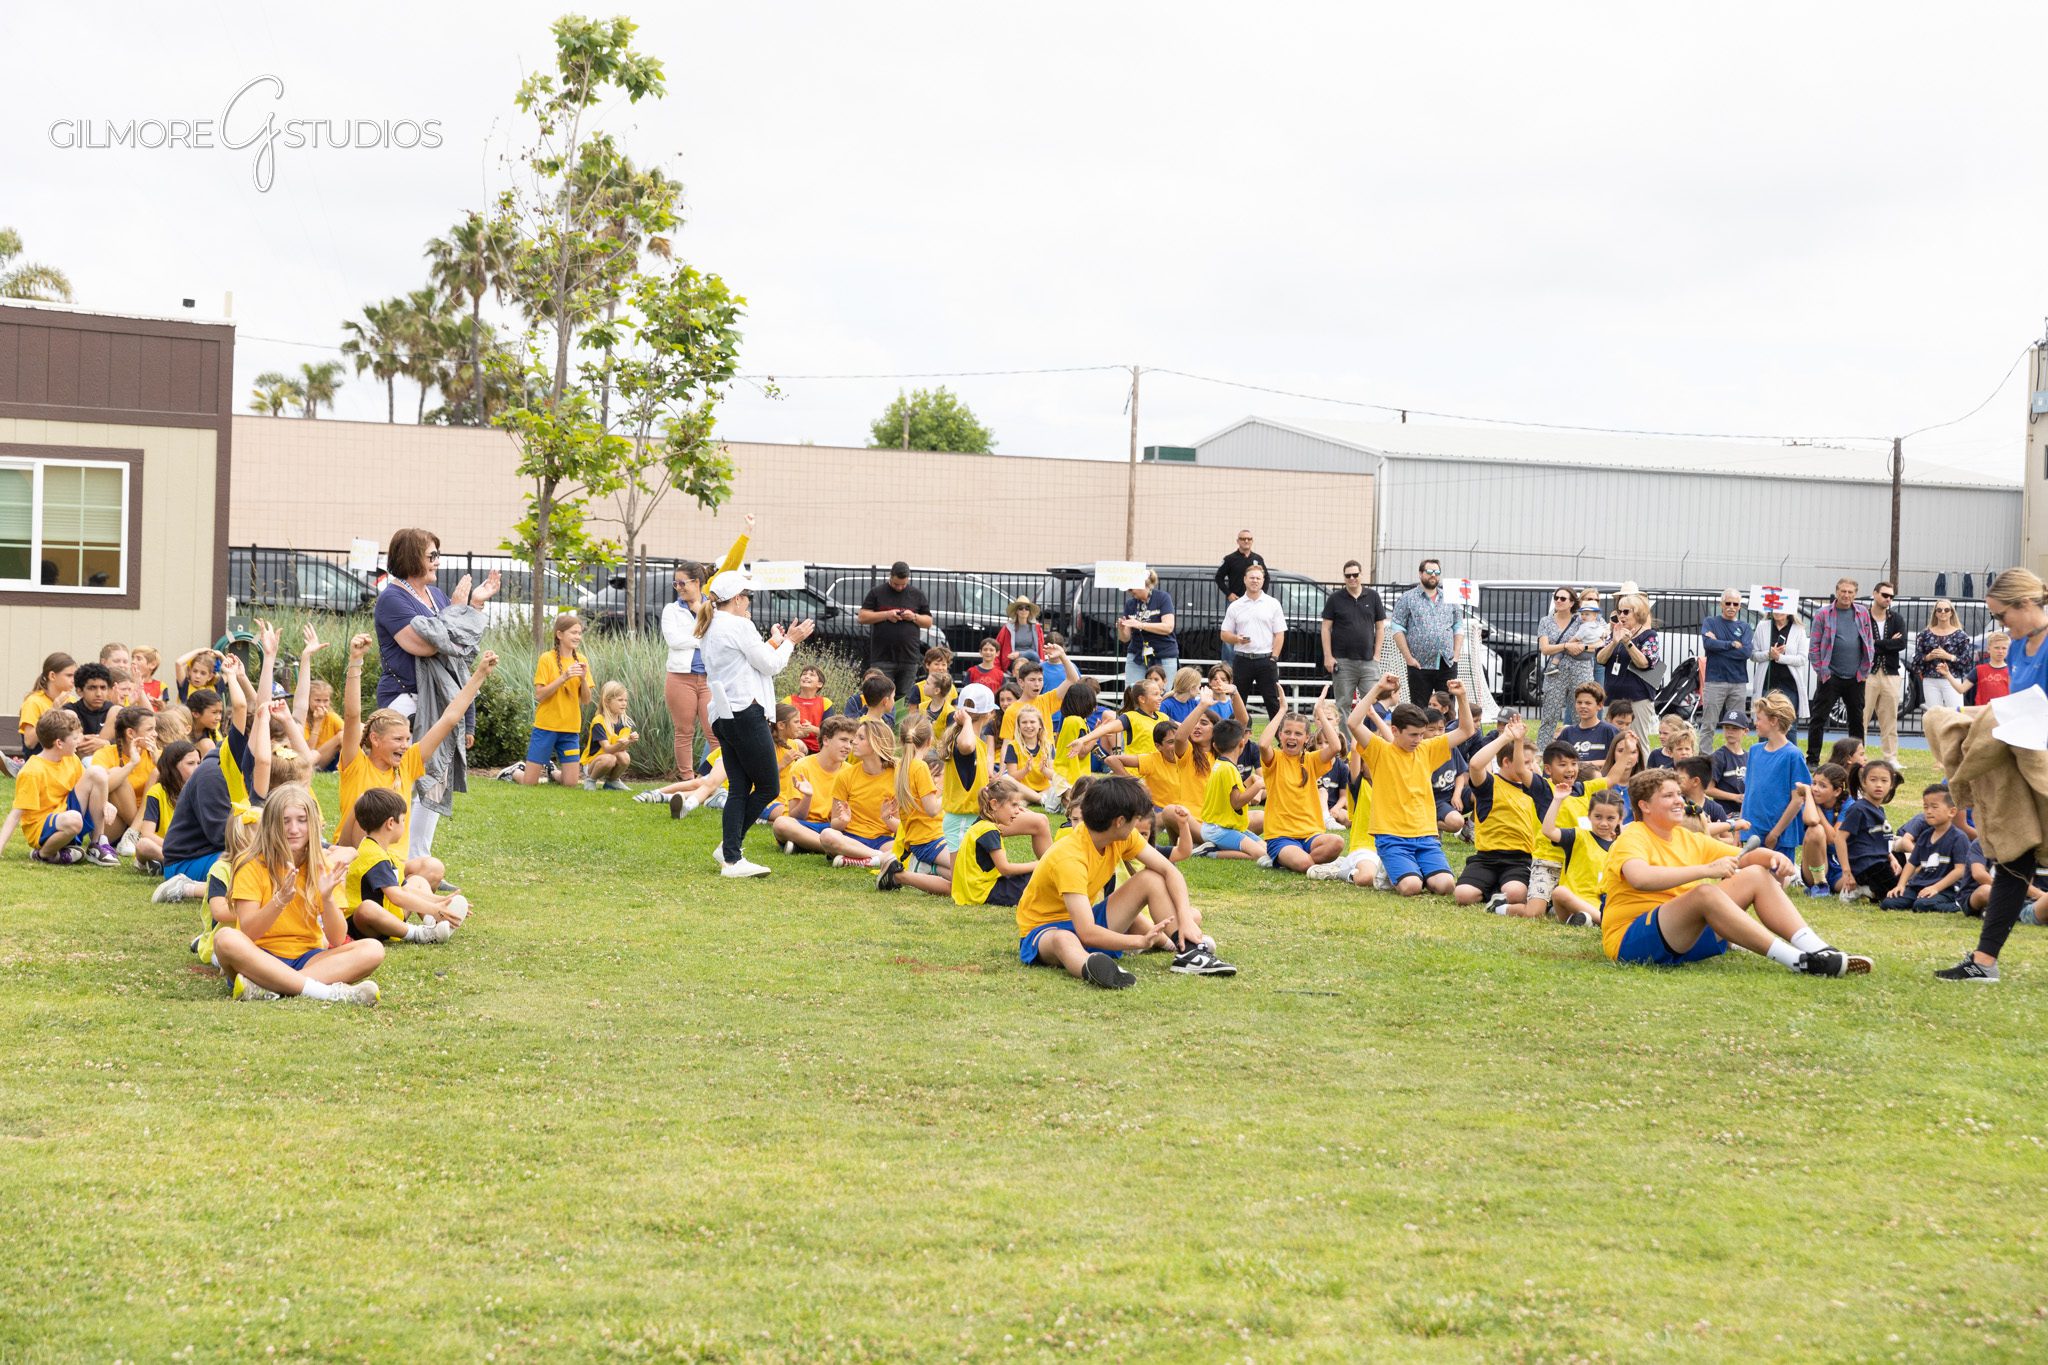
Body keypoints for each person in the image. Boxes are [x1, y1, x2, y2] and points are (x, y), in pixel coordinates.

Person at [1602, 770, 1871, 975]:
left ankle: (1818, 949)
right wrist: (1706, 870)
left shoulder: (1684, 836)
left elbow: (1743, 858)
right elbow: (1640, 878)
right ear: (1644, 806)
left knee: (1755, 874)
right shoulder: (1632, 836)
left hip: (1681, 937)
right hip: (1630, 941)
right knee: (1704, 893)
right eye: (1668, 796)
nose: (1679, 802)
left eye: (1678, 795)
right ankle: (1798, 961)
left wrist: (1773, 857)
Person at [1013, 775, 1236, 986]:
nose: (1139, 824)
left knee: (1150, 877)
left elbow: (1170, 871)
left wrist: (1185, 919)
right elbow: (1086, 932)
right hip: (1043, 930)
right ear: (1120, 821)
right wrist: (1138, 941)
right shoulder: (1069, 858)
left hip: (1089, 920)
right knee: (1064, 939)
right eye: (1136, 818)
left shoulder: (1122, 836)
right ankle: (1093, 968)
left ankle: (1188, 951)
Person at [1935, 568, 2048, 982]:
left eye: (2003, 616)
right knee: (2016, 859)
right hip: (2026, 766)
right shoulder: (2020, 647)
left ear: (2025, 604)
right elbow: (2016, 707)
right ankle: (1984, 963)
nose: (2002, 627)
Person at [337, 635, 501, 889]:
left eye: (407, 738)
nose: (405, 745)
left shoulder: (408, 762)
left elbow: (449, 719)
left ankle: (404, 906)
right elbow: (351, 716)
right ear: (375, 739)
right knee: (365, 811)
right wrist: (356, 661)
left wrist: (479, 674)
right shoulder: (355, 764)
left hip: (393, 865)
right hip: (354, 860)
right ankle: (406, 907)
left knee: (432, 869)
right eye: (398, 739)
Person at [373, 528, 496, 861]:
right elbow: (425, 645)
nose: (437, 562)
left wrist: (473, 606)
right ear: (412, 557)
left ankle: (420, 860)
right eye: (431, 556)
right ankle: (393, 858)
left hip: (444, 701)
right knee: (409, 777)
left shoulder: (439, 598)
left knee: (437, 776)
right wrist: (460, 611)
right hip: (404, 700)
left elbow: (461, 650)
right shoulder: (392, 598)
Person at [212, 784, 384, 1006]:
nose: (294, 829)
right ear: (272, 824)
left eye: (301, 820)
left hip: (309, 959)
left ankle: (270, 987)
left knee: (373, 949)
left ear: (312, 824)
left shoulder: (324, 865)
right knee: (226, 939)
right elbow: (249, 933)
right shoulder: (249, 863)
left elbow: (336, 938)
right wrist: (279, 901)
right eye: (285, 821)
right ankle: (325, 992)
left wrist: (328, 898)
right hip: (259, 957)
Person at [701, 566, 816, 879]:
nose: (749, 602)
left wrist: (775, 641)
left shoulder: (713, 625)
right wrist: (790, 640)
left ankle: (730, 850)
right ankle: (731, 853)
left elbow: (752, 663)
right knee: (767, 787)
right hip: (745, 714)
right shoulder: (738, 626)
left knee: (740, 786)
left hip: (724, 716)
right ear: (737, 599)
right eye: (747, 597)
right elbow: (771, 666)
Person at [1352, 674, 1477, 896]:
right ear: (1395, 730)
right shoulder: (1380, 750)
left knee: (1446, 886)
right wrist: (1378, 688)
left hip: (1425, 835)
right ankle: (1392, 871)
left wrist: (1463, 697)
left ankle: (1411, 869)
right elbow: (1353, 723)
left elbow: (1466, 731)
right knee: (1411, 887)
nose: (1418, 740)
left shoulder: (1427, 749)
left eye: (1421, 734)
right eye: (1412, 735)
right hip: (1392, 836)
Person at [661, 524, 753, 775]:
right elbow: (674, 640)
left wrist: (745, 534)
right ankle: (687, 777)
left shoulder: (712, 606)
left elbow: (731, 564)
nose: (678, 587)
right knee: (684, 731)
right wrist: (704, 636)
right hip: (682, 677)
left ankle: (714, 778)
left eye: (682, 582)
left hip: (712, 678)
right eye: (675, 583)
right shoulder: (672, 610)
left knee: (715, 729)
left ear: (698, 582)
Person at [339, 787, 464, 946]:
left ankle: (435, 921)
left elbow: (405, 888)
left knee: (417, 881)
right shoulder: (373, 856)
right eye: (404, 820)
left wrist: (441, 901)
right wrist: (434, 907)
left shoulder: (382, 851)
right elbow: (396, 896)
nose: (405, 824)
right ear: (391, 823)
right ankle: (419, 933)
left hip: (388, 912)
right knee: (367, 908)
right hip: (365, 925)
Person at [1453, 718, 1542, 915]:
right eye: (1527, 762)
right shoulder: (1490, 785)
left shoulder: (1534, 788)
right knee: (1463, 895)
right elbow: (1475, 765)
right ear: (1506, 762)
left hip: (1520, 859)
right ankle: (1493, 889)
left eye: (1533, 762)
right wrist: (1506, 738)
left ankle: (1498, 893)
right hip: (1486, 858)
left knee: (1516, 892)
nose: (1532, 767)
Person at [1804, 578, 1872, 765]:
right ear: (1837, 591)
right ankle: (1813, 759)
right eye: (1843, 591)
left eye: (1850, 592)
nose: (1846, 595)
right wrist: (1822, 671)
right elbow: (1814, 646)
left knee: (1857, 721)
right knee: (1818, 718)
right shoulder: (1823, 614)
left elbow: (1869, 642)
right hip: (1830, 676)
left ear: (1855, 594)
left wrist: (1864, 670)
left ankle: (1857, 760)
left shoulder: (1863, 613)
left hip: (1856, 677)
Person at [521, 612, 591, 787]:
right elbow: (539, 695)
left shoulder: (582, 660)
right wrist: (563, 678)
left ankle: (552, 772)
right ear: (559, 635)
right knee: (529, 783)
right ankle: (513, 771)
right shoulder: (546, 659)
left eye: (579, 633)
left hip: (570, 728)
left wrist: (582, 678)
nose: (577, 637)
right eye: (573, 633)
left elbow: (586, 700)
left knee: (571, 784)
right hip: (546, 727)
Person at [1740, 692, 1810, 863]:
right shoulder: (1755, 751)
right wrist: (1738, 829)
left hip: (1779, 835)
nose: (1755, 723)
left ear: (1774, 721)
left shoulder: (1793, 755)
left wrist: (1775, 833)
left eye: (1759, 719)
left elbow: (1798, 800)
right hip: (1753, 829)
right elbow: (1748, 792)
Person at [1882, 786, 1971, 913]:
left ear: (1951, 812)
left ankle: (1957, 904)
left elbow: (1960, 870)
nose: (1929, 811)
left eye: (1934, 807)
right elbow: (1912, 863)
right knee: (1889, 902)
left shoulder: (1959, 838)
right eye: (1925, 807)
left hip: (1947, 889)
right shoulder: (1925, 836)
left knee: (1922, 905)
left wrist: (1935, 888)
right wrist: (1901, 885)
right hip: (1920, 885)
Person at [858, 561, 933, 705]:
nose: (899, 587)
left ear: (908, 579)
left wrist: (914, 616)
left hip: (909, 657)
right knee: (880, 695)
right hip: (882, 656)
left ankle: (899, 727)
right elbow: (862, 617)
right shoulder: (877, 592)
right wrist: (886, 614)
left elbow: (928, 622)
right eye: (896, 584)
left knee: (904, 699)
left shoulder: (917, 594)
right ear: (890, 576)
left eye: (903, 585)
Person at [1217, 565, 1286, 721]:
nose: (1255, 580)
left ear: (1262, 581)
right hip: (1242, 659)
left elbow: (1279, 634)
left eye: (1258, 578)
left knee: (1272, 702)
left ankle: (1281, 740)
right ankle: (1235, 739)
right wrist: (1237, 639)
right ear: (1245, 580)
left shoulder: (1273, 604)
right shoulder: (1235, 606)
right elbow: (1224, 634)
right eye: (1252, 577)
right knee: (1238, 700)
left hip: (1266, 659)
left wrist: (1274, 658)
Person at [1391, 558, 1463, 704]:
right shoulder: (1408, 598)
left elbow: (1458, 627)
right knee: (1419, 710)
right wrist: (1409, 659)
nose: (1433, 575)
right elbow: (1397, 628)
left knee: (1447, 709)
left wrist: (1455, 656)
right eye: (1429, 571)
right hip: (1419, 665)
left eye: (1437, 572)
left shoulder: (1450, 598)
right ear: (1420, 573)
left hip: (1446, 664)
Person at [1594, 592, 1661, 749]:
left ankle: (1642, 774)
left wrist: (1628, 643)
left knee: (1638, 742)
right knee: (1611, 743)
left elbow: (1644, 663)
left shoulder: (1649, 636)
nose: (1621, 616)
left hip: (1638, 698)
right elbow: (1600, 659)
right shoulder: (1615, 633)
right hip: (1612, 697)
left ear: (1637, 613)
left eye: (1626, 612)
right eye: (1619, 612)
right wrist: (1614, 642)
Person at [1535, 589, 1600, 747]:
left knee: (1582, 714)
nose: (1558, 600)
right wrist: (1566, 646)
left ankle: (1583, 750)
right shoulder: (1546, 621)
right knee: (1550, 714)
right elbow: (1544, 649)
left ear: (1572, 602)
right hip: (1555, 671)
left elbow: (1598, 643)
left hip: (1581, 670)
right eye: (1556, 597)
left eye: (1563, 598)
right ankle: (1543, 751)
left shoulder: (1582, 619)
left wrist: (1582, 647)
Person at [1321, 561, 1387, 711]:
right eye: (1348, 575)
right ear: (1344, 577)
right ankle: (1346, 736)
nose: (1352, 578)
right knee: (1343, 705)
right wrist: (1328, 656)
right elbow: (1325, 628)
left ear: (1361, 575)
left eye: (1355, 575)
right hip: (1343, 662)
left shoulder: (1373, 596)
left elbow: (1380, 627)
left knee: (1372, 705)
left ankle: (1368, 735)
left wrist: (1377, 655)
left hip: (1369, 661)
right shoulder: (1335, 598)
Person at [1698, 590, 1755, 749]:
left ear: (1739, 607)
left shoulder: (1745, 627)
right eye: (1728, 603)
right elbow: (1708, 645)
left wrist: (1719, 644)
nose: (1731, 607)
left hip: (1738, 682)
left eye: (1735, 604)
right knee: (1709, 723)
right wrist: (1730, 644)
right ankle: (1704, 758)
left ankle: (1733, 755)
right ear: (1721, 604)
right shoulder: (1710, 622)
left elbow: (1746, 652)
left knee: (1736, 724)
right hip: (1715, 681)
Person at [1864, 582, 1906, 766]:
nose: (1888, 599)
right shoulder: (1863, 616)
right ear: (1874, 594)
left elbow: (1901, 643)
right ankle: (1859, 755)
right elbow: (1862, 643)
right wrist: (1887, 642)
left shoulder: (1896, 618)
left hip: (1890, 673)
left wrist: (1876, 643)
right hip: (1867, 673)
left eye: (1891, 596)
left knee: (1890, 719)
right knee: (1861, 717)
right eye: (1884, 595)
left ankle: (1891, 758)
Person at [1213, 530, 1267, 666]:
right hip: (1236, 602)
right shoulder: (1230, 559)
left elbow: (1267, 578)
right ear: (1238, 541)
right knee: (1229, 636)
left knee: (1253, 632)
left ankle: (1249, 663)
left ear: (1252, 541)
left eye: (1249, 539)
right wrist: (1229, 593)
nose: (1246, 541)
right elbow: (1218, 577)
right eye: (1243, 539)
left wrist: (1262, 595)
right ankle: (1227, 668)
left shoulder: (1258, 559)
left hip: (1255, 603)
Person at [1117, 570, 1179, 689]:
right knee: (1132, 691)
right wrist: (1121, 628)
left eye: (1131, 589)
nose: (1130, 592)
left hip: (1164, 654)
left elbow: (1168, 627)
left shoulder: (1162, 598)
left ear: (1143, 584)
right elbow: (1125, 638)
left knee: (1162, 694)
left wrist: (1141, 625)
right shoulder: (1130, 604)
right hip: (1137, 655)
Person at [1751, 604, 1811, 720]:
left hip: (1789, 685)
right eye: (1776, 608)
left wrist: (1780, 658)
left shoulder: (1798, 629)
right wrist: (1769, 654)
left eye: (1783, 608)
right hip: (1767, 684)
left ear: (1790, 611)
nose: (1779, 611)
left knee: (1789, 724)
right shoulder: (1762, 626)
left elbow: (1802, 659)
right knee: (1764, 721)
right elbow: (1753, 655)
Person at [1914, 600, 1975, 713]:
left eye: (1946, 610)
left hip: (1952, 680)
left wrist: (1949, 656)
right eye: (1939, 610)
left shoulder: (1960, 635)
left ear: (1951, 612)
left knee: (1956, 715)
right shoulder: (1925, 635)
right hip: (1930, 680)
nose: (1943, 612)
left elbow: (1967, 661)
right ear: (1935, 613)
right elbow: (1916, 659)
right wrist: (1928, 657)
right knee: (1934, 716)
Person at [581, 681, 638, 791]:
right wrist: (622, 743)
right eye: (620, 700)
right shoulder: (599, 721)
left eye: (625, 700)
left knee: (625, 757)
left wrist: (629, 741)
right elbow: (607, 749)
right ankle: (590, 779)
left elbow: (622, 749)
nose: (624, 703)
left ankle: (612, 781)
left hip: (609, 757)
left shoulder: (625, 722)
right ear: (607, 702)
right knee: (609, 759)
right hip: (592, 762)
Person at [1557, 683, 1619, 767]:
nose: (1582, 706)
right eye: (1579, 702)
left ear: (1600, 705)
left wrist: (1584, 764)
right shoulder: (1567, 732)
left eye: (1588, 703)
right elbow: (1557, 760)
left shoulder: (1609, 731)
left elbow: (1618, 761)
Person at [995, 598, 1044, 674]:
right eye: (1020, 608)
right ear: (1016, 611)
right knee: (1022, 665)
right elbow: (997, 645)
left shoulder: (1036, 628)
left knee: (1032, 655)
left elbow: (1038, 649)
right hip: (1013, 660)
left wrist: (1020, 654)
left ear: (1029, 611)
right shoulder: (1008, 627)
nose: (1024, 610)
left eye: (1027, 608)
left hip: (1032, 659)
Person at [1974, 632, 2012, 703]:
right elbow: (1961, 689)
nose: (2000, 651)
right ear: (1988, 649)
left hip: (2004, 709)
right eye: (1997, 648)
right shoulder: (1979, 669)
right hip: (1983, 709)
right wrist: (1948, 675)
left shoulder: (2011, 671)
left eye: (2004, 648)